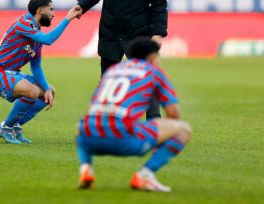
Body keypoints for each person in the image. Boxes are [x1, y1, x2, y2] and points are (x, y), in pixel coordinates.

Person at [73, 0, 168, 119]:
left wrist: (158, 33)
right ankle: (107, 121)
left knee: (146, 77)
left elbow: (159, 2)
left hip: (139, 32)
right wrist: (82, 5)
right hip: (111, 32)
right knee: (108, 80)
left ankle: (154, 121)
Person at [76, 37, 191, 192]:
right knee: (183, 129)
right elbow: (173, 113)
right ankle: (145, 175)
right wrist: (160, 140)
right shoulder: (154, 72)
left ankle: (86, 169)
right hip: (121, 138)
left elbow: (91, 107)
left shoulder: (113, 70)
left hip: (87, 138)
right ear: (152, 57)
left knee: (83, 123)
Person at [0, 0, 81, 144]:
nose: (53, 14)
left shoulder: (36, 33)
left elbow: (36, 65)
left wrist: (46, 88)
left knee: (49, 92)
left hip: (11, 73)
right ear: (40, 10)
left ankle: (15, 126)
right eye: (51, 10)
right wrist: (68, 19)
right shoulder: (24, 23)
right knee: (33, 92)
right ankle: (5, 127)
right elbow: (48, 40)